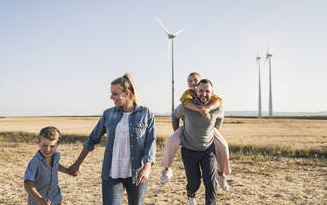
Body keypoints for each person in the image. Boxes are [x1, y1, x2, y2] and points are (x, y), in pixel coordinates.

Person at [68, 73, 156, 205]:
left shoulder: (145, 113)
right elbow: (92, 139)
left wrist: (147, 167)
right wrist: (77, 163)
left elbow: (150, 142)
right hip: (112, 173)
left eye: (115, 94)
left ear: (126, 93)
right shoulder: (108, 114)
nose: (111, 97)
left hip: (137, 173)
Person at [161, 72, 231, 191]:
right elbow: (185, 104)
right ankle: (167, 169)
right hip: (187, 127)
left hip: (208, 129)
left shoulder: (208, 93)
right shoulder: (187, 94)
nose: (192, 83)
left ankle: (221, 174)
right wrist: (202, 111)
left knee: (223, 146)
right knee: (171, 141)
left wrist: (209, 115)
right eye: (190, 81)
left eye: (195, 80)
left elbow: (219, 101)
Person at [172, 79, 223, 205]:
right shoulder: (187, 105)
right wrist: (177, 132)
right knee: (194, 182)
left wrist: (210, 133)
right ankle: (191, 194)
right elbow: (174, 115)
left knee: (210, 182)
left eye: (207, 91)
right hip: (189, 150)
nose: (204, 94)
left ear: (212, 93)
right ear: (196, 91)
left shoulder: (217, 108)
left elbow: (218, 122)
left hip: (208, 150)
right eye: (201, 91)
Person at [24, 126, 71, 205]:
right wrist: (39, 199)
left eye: (52, 146)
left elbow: (55, 165)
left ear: (57, 145)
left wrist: (67, 171)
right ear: (39, 143)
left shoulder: (56, 156)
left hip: (55, 199)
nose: (48, 149)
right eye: (44, 145)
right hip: (38, 202)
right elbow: (27, 185)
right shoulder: (35, 162)